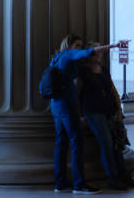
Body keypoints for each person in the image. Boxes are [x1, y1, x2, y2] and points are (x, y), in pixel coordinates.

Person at [50, 33, 127, 195]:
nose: (79, 48)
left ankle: (60, 182)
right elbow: (88, 52)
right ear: (69, 45)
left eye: (80, 45)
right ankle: (79, 184)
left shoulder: (57, 58)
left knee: (61, 143)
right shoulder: (69, 54)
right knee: (77, 142)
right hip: (67, 106)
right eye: (77, 45)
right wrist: (113, 46)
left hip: (56, 105)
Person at [78, 42, 134, 191]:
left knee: (117, 144)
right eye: (97, 51)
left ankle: (123, 175)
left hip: (109, 111)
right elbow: (77, 93)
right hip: (93, 112)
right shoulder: (83, 72)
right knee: (106, 143)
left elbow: (111, 90)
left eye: (100, 51)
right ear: (89, 54)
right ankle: (113, 178)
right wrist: (80, 115)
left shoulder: (104, 69)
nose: (99, 54)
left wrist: (118, 109)